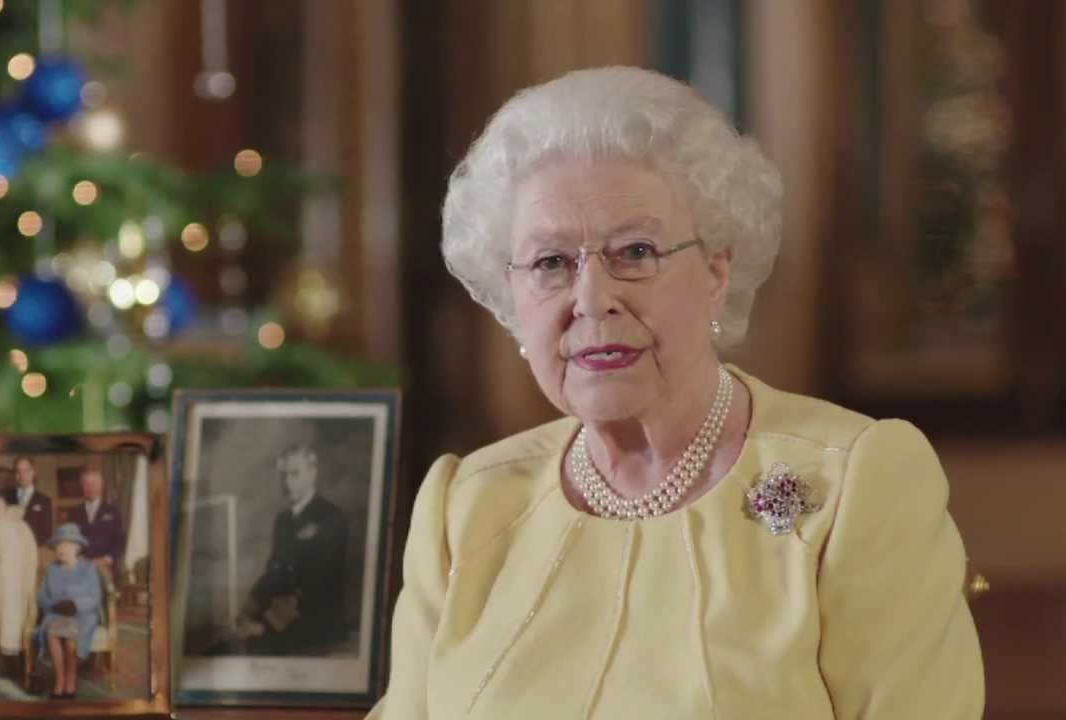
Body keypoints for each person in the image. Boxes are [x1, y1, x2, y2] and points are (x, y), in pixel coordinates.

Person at [368, 67, 984, 719]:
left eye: (635, 251)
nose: (592, 299)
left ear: (716, 273)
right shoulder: (467, 506)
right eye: (551, 262)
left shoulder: (861, 482)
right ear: (512, 295)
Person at [232, 445, 348, 656]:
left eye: (295, 474)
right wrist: (250, 607)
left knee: (254, 646)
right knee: (233, 638)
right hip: (281, 615)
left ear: (313, 473)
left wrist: (264, 623)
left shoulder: (331, 517)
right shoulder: (283, 521)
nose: (286, 482)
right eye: (283, 475)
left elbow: (320, 582)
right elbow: (274, 572)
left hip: (316, 619)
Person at [34, 523, 102, 699]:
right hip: (57, 613)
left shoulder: (88, 568)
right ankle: (60, 680)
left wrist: (75, 604)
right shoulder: (53, 569)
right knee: (53, 632)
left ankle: (71, 680)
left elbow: (95, 597)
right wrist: (52, 605)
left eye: (66, 544)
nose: (61, 549)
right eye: (58, 545)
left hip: (82, 614)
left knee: (71, 634)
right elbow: (41, 596)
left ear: (77, 547)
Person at [0, 491, 38, 680]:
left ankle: (22, 660)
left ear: (7, 506)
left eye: (1, 505)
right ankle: (9, 664)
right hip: (3, 579)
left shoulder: (20, 525)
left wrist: (29, 576)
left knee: (20, 617)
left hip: (20, 577)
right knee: (5, 617)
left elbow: (31, 551)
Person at [70, 467, 124, 572]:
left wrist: (107, 559)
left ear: (101, 486)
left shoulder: (112, 511)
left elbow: (120, 541)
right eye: (86, 484)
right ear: (82, 486)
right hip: (80, 567)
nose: (90, 488)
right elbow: (70, 540)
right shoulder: (73, 513)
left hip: (105, 567)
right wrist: (77, 557)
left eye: (94, 483)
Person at [2, 456, 52, 550]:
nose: (22, 475)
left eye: (26, 471)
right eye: (18, 471)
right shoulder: (5, 498)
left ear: (33, 472)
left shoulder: (44, 501)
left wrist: (26, 547)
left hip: (32, 552)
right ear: (15, 474)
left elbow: (46, 533)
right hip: (8, 551)